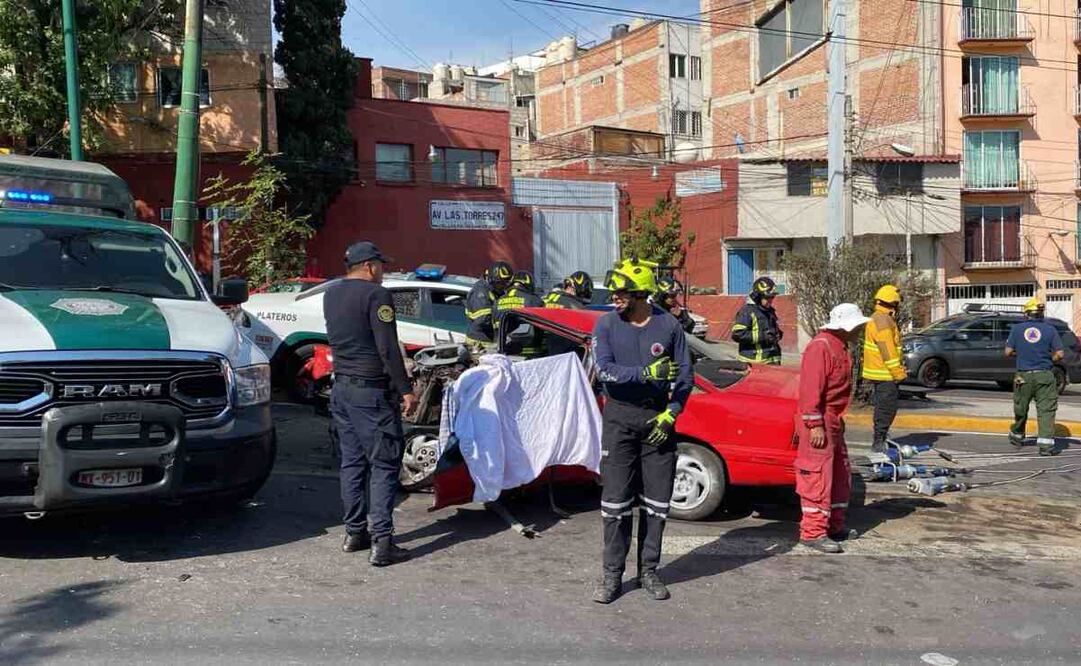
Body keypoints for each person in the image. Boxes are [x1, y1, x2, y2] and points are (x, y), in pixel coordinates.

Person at [592, 259, 693, 604]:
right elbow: (604, 371)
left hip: (657, 421)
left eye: (621, 292)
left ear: (640, 294)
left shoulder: (669, 327)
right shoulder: (605, 326)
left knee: (657, 505)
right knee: (615, 505)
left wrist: (672, 414)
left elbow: (685, 379)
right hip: (619, 420)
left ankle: (648, 571)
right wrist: (645, 373)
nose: (614, 297)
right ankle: (611, 577)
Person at [324, 241, 418, 566]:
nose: (384, 271)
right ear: (369, 266)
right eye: (382, 265)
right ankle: (382, 542)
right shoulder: (377, 296)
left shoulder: (331, 293)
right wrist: (406, 390)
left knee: (352, 462)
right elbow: (387, 348)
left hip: (342, 391)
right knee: (385, 463)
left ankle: (354, 533)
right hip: (370, 394)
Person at [796, 303, 870, 554]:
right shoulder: (821, 347)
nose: (860, 329)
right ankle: (813, 532)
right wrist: (814, 424)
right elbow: (810, 391)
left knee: (839, 474)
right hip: (820, 421)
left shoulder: (839, 346)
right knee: (817, 476)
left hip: (832, 420)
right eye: (858, 325)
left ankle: (833, 525)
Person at [1006, 297, 1064, 456]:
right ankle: (1045, 447)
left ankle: (1017, 435)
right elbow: (1060, 354)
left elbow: (1008, 352)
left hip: (1023, 376)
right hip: (1044, 375)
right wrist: (1048, 358)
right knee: (1046, 411)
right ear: (1041, 314)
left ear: (1026, 314)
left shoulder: (1017, 329)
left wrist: (1022, 354)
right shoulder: (1050, 329)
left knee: (1021, 408)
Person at [862, 284, 907, 454]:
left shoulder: (881, 318)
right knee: (886, 407)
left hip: (882, 372)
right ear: (893, 303)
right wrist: (898, 373)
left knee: (885, 406)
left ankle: (881, 436)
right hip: (885, 373)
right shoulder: (882, 320)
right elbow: (887, 350)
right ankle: (878, 441)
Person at [731, 277, 783, 364]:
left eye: (772, 297)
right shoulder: (747, 311)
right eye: (767, 298)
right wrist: (763, 336)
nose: (771, 300)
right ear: (758, 297)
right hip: (755, 363)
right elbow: (738, 334)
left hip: (772, 360)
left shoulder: (769, 311)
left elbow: (770, 330)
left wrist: (778, 334)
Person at [465, 261, 513, 347]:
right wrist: (504, 325)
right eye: (499, 283)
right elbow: (484, 320)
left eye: (506, 283)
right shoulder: (480, 293)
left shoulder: (495, 291)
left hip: (490, 341)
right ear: (490, 279)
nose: (503, 286)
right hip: (479, 343)